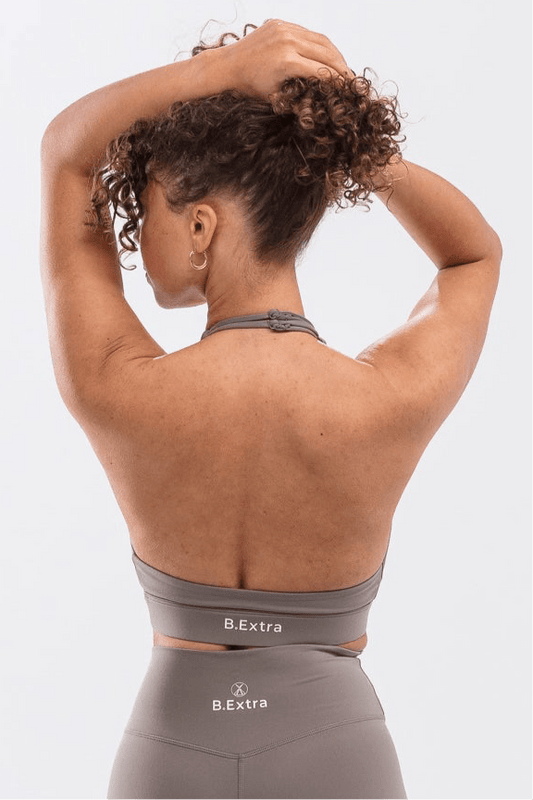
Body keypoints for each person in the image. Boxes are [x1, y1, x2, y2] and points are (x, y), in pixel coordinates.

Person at [39, 18, 502, 800]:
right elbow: (472, 254)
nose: (134, 237)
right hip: (336, 751)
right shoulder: (384, 398)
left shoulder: (119, 386)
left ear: (199, 225)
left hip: (170, 752)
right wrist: (351, 148)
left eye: (144, 212)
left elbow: (66, 151)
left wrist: (224, 68)